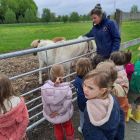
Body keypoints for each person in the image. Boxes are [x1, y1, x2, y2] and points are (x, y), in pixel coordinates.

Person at [82, 70, 125, 140]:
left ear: (102, 90)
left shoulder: (90, 109)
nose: (85, 89)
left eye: (90, 88)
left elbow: (92, 134)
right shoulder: (112, 99)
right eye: (84, 85)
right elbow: (121, 121)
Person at [41, 64, 74, 140]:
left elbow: (45, 104)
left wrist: (50, 113)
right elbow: (67, 103)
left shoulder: (44, 88)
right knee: (68, 125)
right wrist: (60, 112)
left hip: (53, 114)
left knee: (57, 127)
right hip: (64, 113)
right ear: (62, 75)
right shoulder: (67, 88)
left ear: (51, 74)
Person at [0, 74, 29, 140]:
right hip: (21, 136)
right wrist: (16, 136)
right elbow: (25, 118)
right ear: (9, 86)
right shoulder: (18, 101)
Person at [73, 57, 92, 133]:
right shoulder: (91, 78)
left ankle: (82, 128)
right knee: (90, 117)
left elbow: (75, 86)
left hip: (82, 104)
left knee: (83, 117)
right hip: (91, 103)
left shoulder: (77, 80)